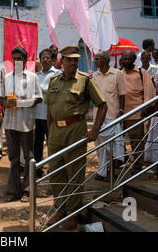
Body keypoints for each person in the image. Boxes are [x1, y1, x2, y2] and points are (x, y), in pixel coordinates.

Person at [44, 45, 107, 230]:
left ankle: (73, 213)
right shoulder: (54, 80)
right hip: (56, 131)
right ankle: (60, 209)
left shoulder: (85, 81)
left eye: (75, 60)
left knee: (74, 173)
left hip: (75, 129)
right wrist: (50, 132)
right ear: (61, 61)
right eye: (69, 59)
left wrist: (95, 130)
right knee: (55, 171)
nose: (72, 63)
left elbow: (102, 105)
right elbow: (49, 108)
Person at [0, 47, 43, 203]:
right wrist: (6, 102)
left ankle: (28, 191)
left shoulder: (33, 77)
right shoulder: (6, 77)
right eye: (14, 58)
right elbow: (1, 98)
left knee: (29, 157)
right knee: (13, 158)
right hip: (10, 122)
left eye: (20, 58)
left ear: (25, 60)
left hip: (26, 123)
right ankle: (13, 190)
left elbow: (39, 99)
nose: (17, 61)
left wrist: (22, 102)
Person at [92, 51, 126, 181]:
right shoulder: (94, 75)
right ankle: (102, 172)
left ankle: (111, 172)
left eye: (98, 59)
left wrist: (121, 110)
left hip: (112, 115)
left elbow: (122, 94)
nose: (95, 61)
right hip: (97, 116)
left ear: (105, 61)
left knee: (112, 147)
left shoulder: (117, 73)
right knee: (100, 146)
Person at [121, 50, 156, 173]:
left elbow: (149, 90)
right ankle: (121, 160)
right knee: (119, 142)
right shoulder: (119, 74)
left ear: (134, 59)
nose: (126, 61)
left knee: (136, 142)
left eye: (129, 59)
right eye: (124, 59)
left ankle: (137, 166)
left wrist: (146, 108)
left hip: (136, 113)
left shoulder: (142, 73)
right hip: (121, 114)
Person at [34, 49, 61, 178]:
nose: (45, 60)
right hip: (37, 115)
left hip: (51, 116)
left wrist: (39, 90)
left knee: (52, 143)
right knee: (37, 145)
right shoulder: (36, 76)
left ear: (52, 59)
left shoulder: (58, 74)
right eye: (42, 58)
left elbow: (55, 91)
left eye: (48, 58)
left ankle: (53, 169)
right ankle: (38, 169)